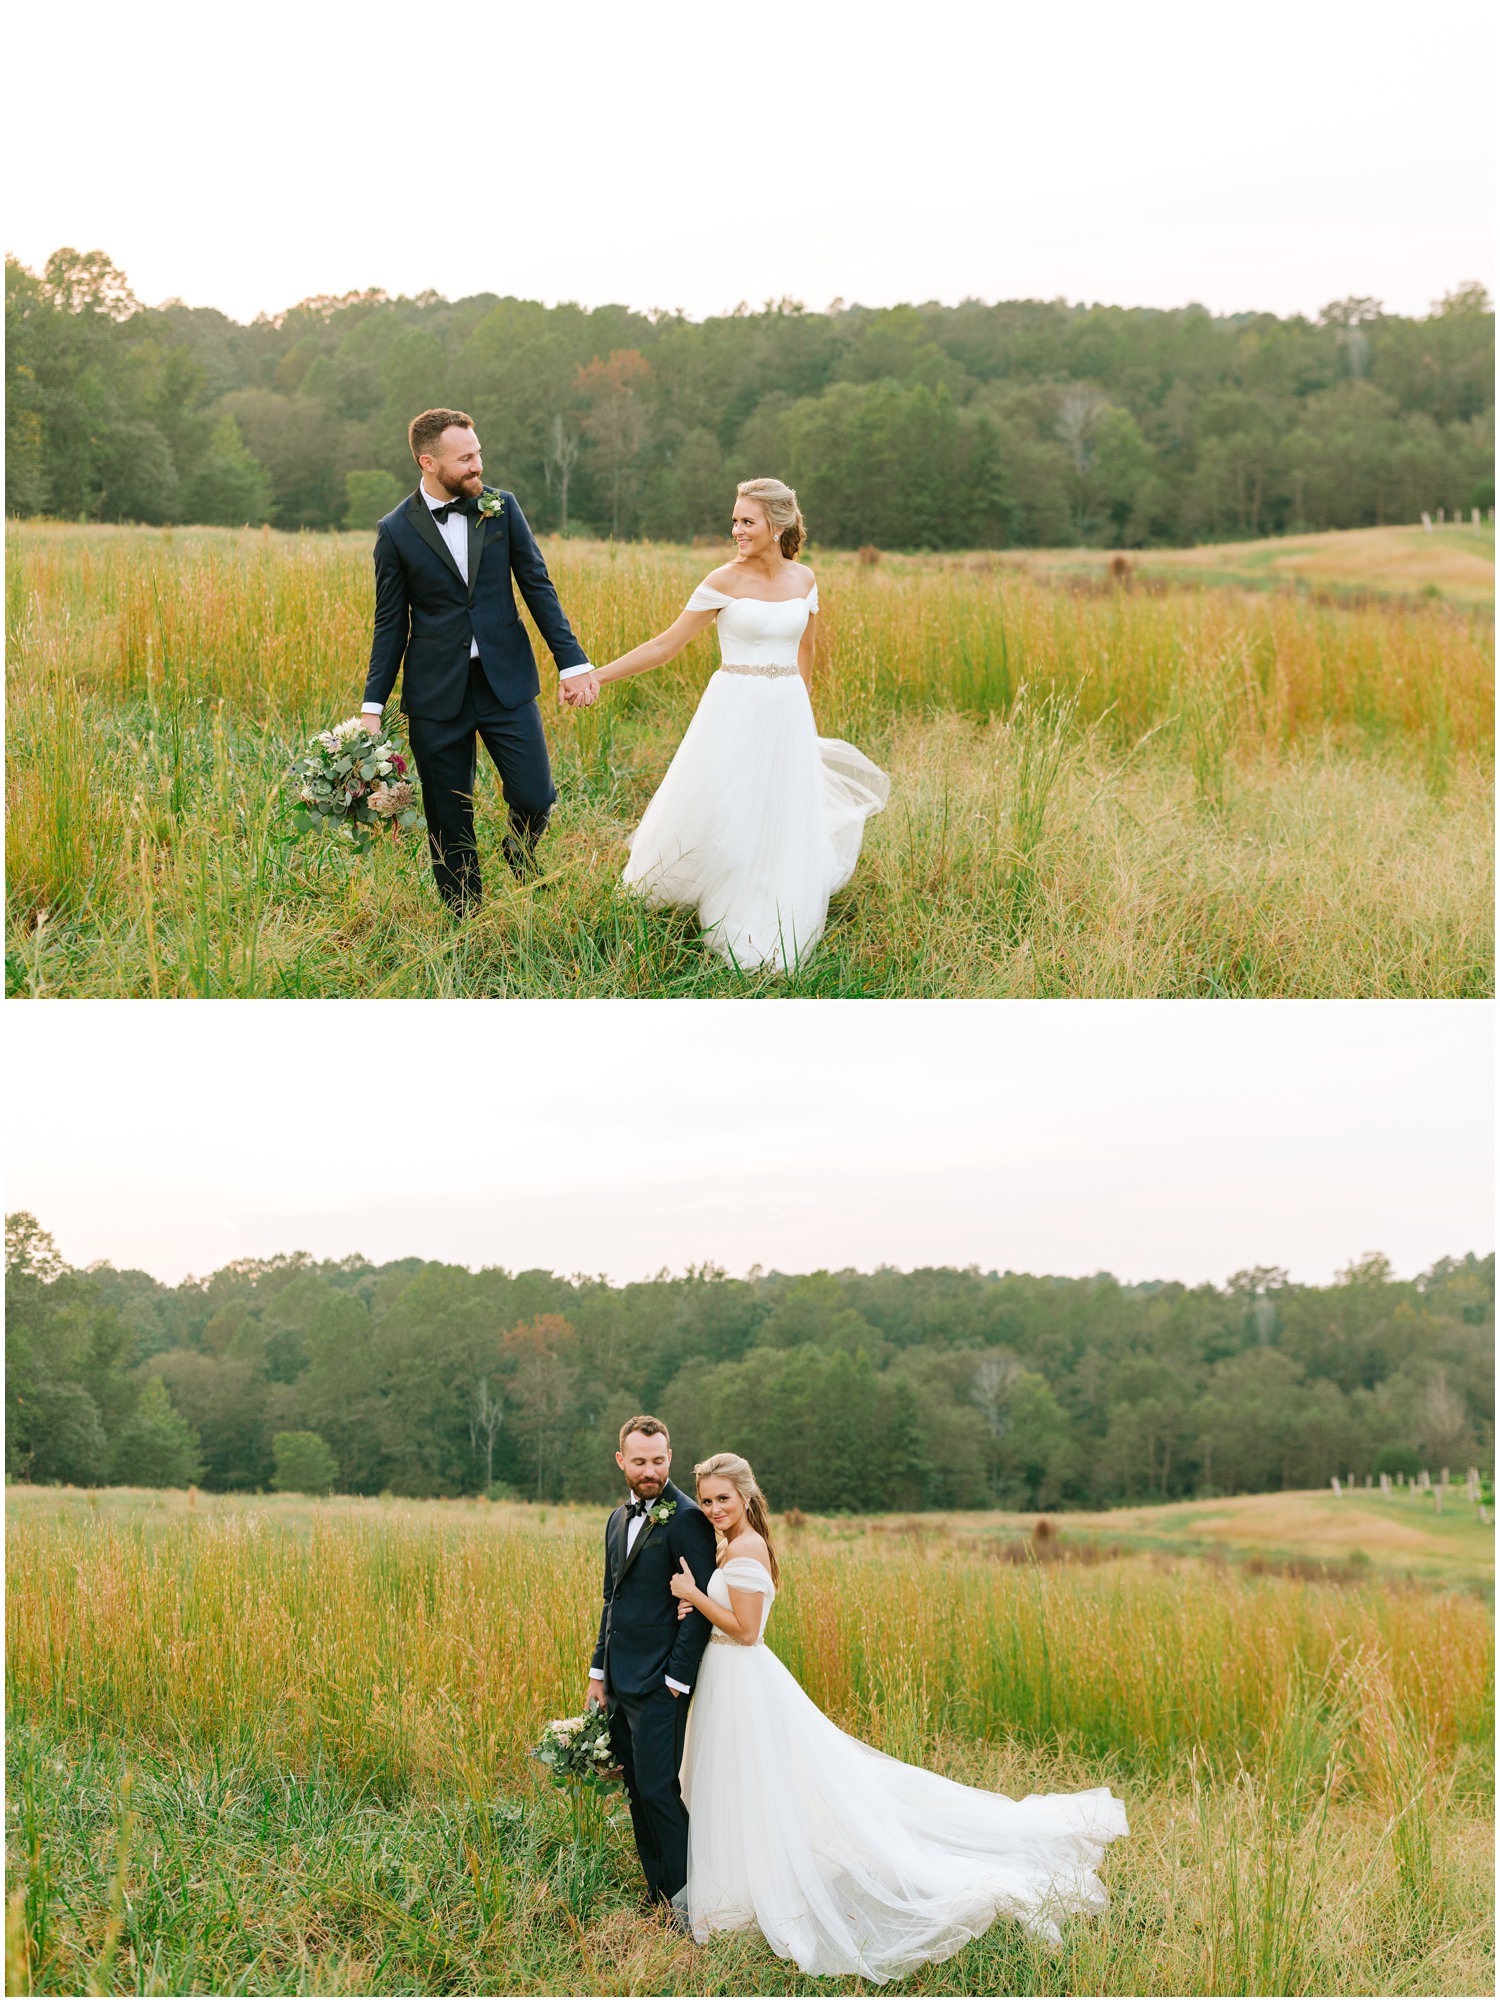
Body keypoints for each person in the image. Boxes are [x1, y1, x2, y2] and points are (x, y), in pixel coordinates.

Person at [666, 1452, 1129, 1981]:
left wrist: (696, 1596)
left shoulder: (746, 1550)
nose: (713, 1508)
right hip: (730, 1678)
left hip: (742, 1678)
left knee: (751, 1784)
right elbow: (732, 1618)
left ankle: (751, 1893)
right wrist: (698, 1604)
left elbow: (747, 1631)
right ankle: (740, 1886)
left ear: (747, 1496)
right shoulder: (737, 1546)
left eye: (723, 1498)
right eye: (705, 1500)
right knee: (744, 1785)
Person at [594, 479, 888, 970]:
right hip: (733, 705)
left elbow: (806, 650)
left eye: (747, 521)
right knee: (730, 805)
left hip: (787, 708)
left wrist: (803, 713)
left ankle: (774, 906)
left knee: (781, 806)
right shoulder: (723, 580)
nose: (736, 530)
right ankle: (722, 897)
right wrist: (597, 676)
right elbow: (666, 647)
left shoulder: (805, 580)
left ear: (778, 526)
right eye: (735, 520)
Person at [359, 408, 599, 912]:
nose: (478, 466)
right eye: (465, 458)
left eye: (479, 454)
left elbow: (537, 586)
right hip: (435, 691)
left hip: (504, 681)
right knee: (449, 813)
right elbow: (390, 623)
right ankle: (465, 919)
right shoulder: (395, 531)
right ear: (428, 462)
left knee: (536, 795)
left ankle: (518, 849)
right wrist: (372, 703)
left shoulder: (501, 508)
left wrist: (571, 662)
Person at [585, 1416, 718, 1922]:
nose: (650, 1470)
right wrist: (599, 1673)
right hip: (620, 1680)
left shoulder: (685, 1518)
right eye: (639, 1461)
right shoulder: (617, 1520)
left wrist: (675, 1681)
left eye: (658, 1460)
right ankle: (658, 1894)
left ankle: (691, 1905)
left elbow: (700, 1609)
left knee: (661, 1790)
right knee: (636, 1788)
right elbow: (610, 1601)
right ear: (621, 1461)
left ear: (670, 1456)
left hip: (662, 1682)